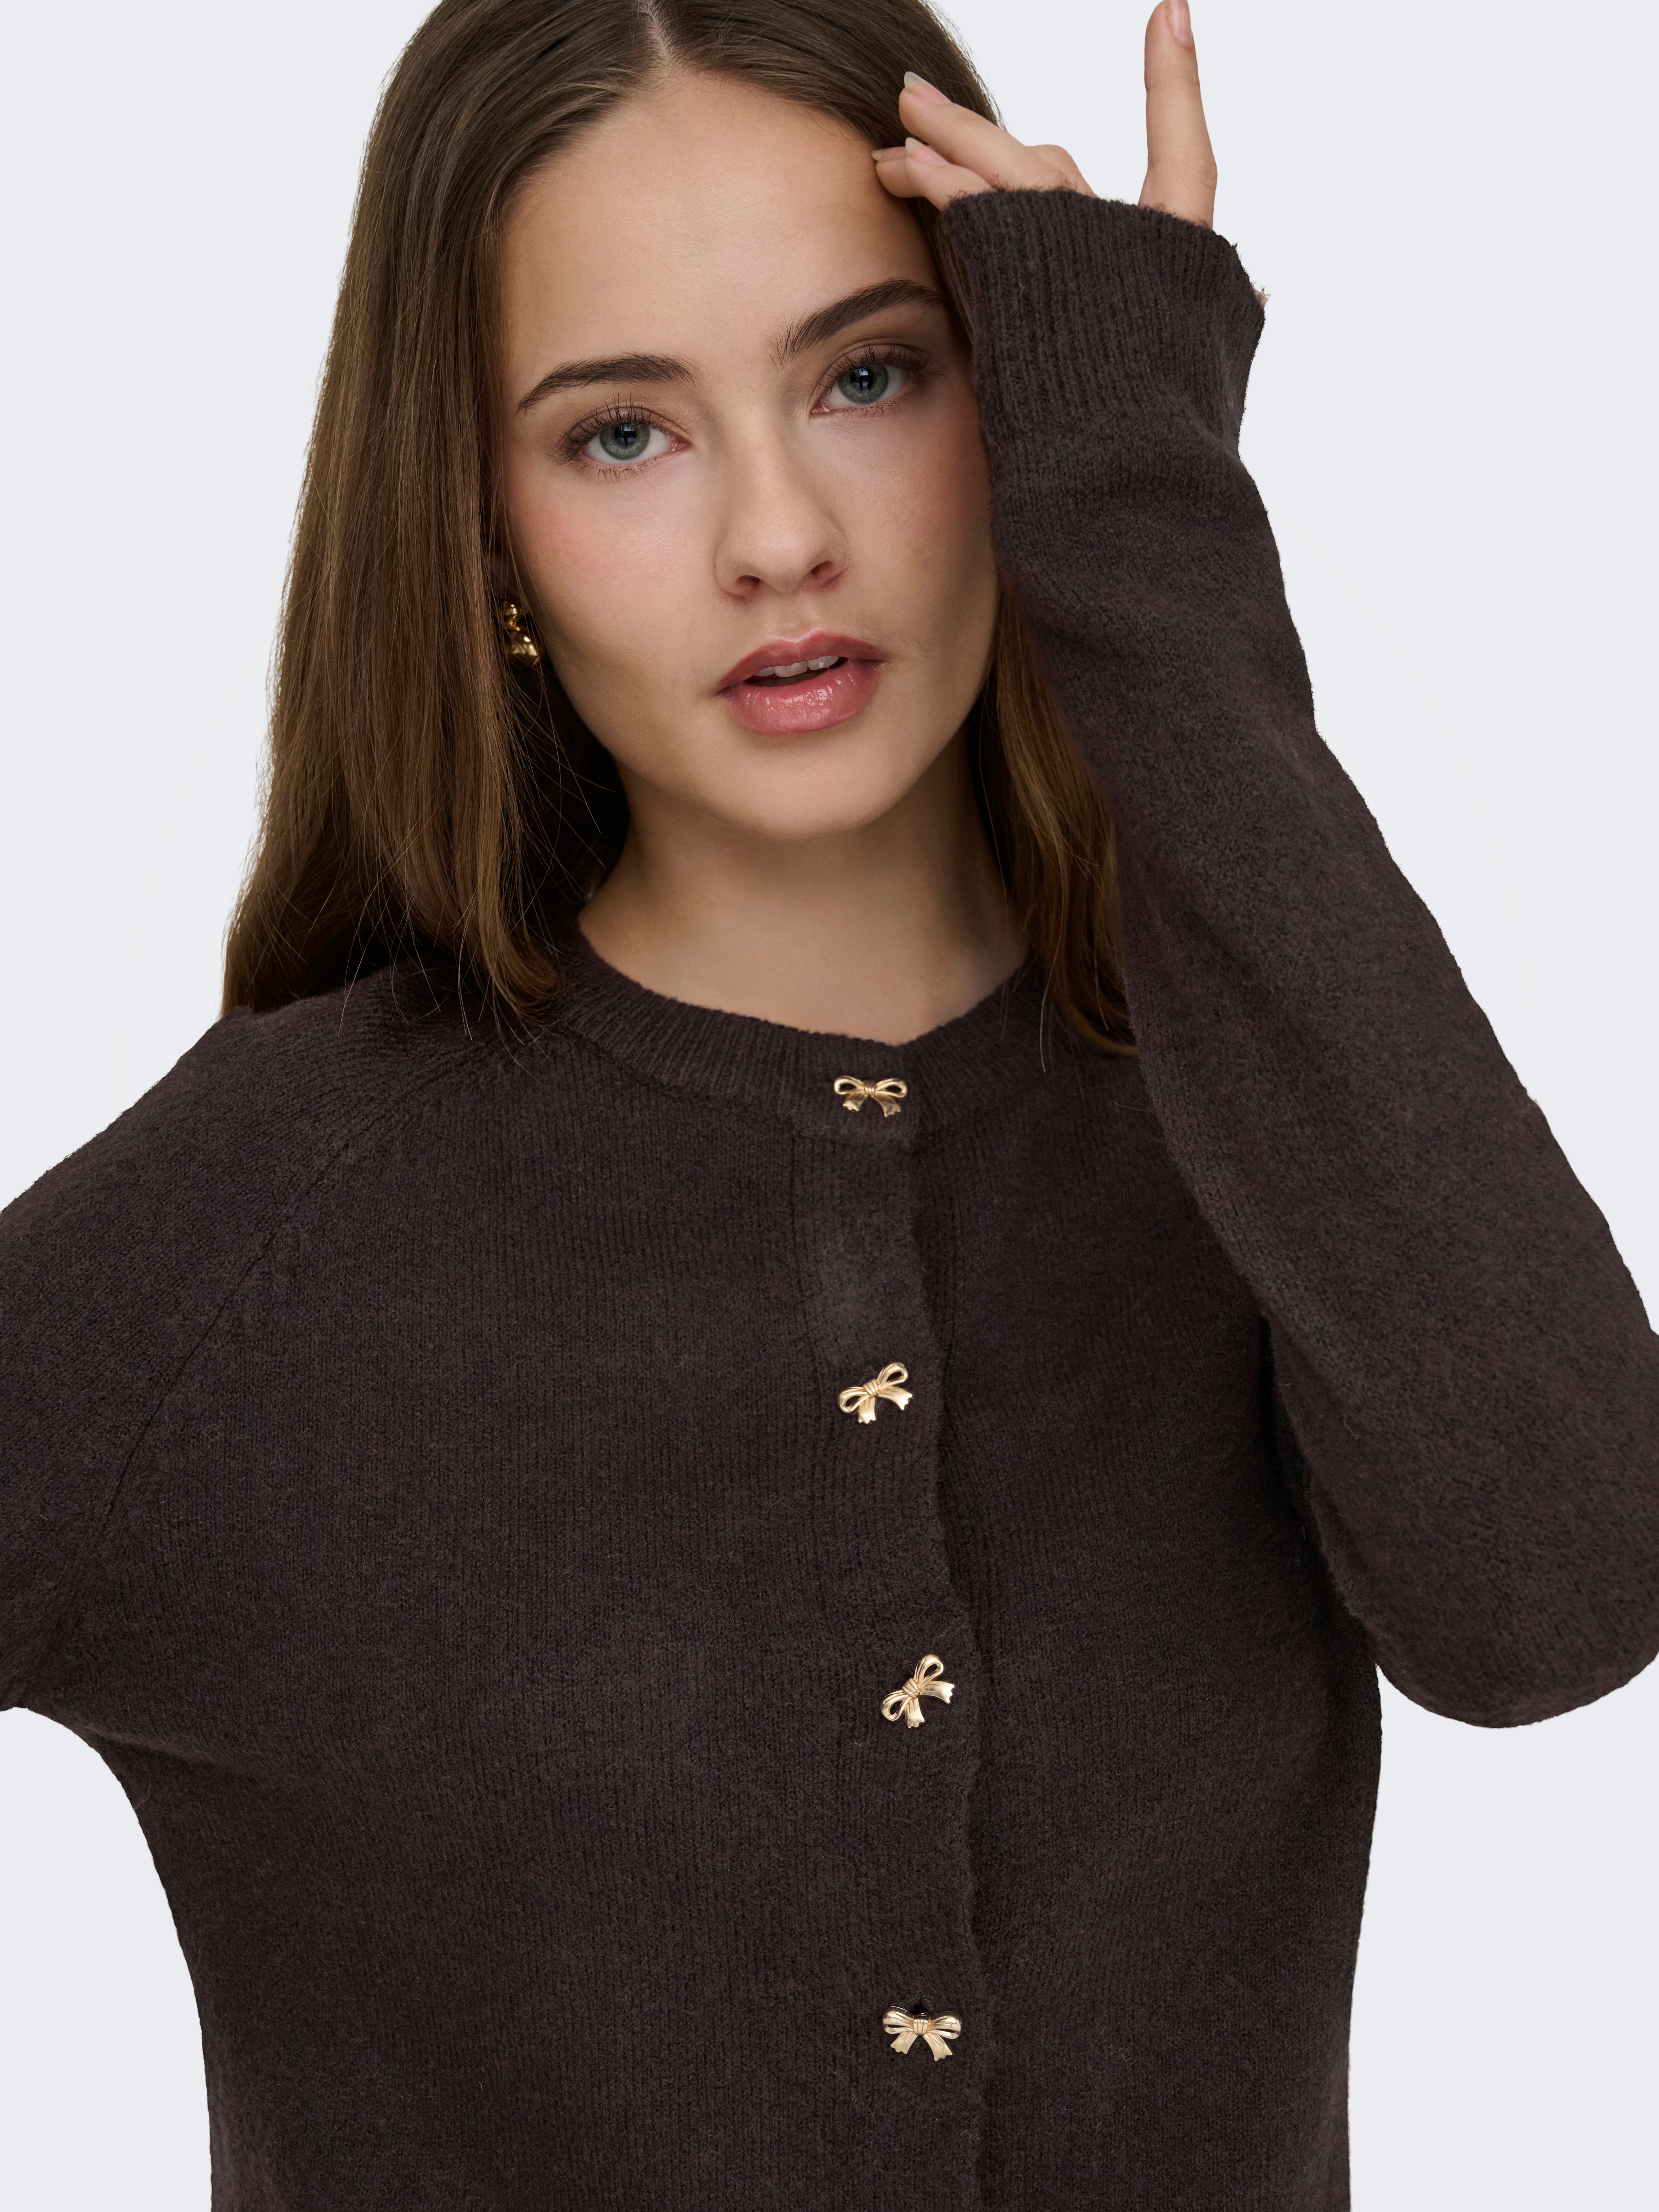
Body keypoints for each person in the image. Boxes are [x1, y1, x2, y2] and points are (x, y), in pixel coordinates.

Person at [2, 0, 1655, 2204]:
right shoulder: (257, 1226)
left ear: (1011, 398)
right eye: (622, 434)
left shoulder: (1253, 1121)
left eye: (871, 376)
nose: (779, 535)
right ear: (479, 524)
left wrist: (1144, 519)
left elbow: (1563, 1593)